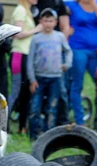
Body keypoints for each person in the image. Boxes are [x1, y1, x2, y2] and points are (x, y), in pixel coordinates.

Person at [27, 7, 72, 140]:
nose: (48, 23)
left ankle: (49, 137)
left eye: (51, 21)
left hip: (55, 78)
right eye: (45, 20)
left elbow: (68, 51)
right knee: (35, 108)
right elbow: (30, 61)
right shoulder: (36, 39)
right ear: (41, 21)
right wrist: (32, 79)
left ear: (56, 22)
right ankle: (33, 136)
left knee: (52, 108)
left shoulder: (60, 37)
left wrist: (67, 64)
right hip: (39, 78)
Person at [65, 0, 97, 126]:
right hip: (77, 49)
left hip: (96, 51)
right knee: (77, 84)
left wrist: (94, 4)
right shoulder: (71, 5)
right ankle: (79, 120)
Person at [8, 0, 42, 135]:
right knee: (16, 91)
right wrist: (37, 29)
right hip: (19, 54)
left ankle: (22, 127)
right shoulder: (20, 10)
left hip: (27, 55)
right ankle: (4, 126)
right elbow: (17, 33)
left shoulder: (27, 10)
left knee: (26, 93)